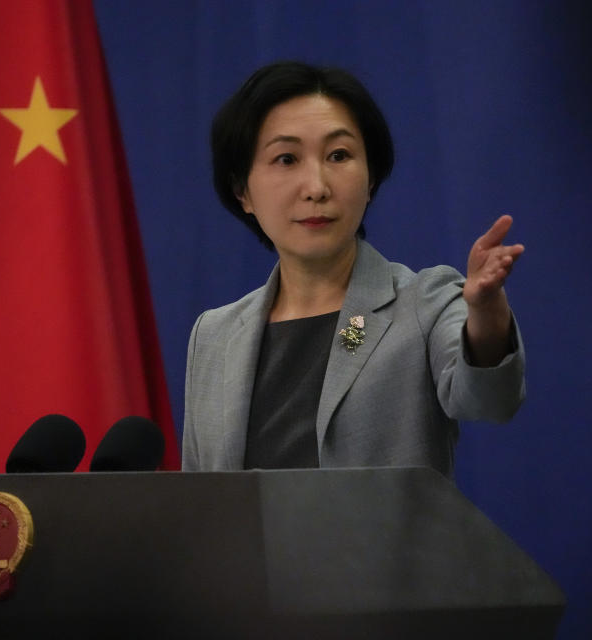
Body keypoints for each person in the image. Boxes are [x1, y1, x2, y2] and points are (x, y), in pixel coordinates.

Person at [182, 61, 525, 477]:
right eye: (286, 158)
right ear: (243, 192)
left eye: (338, 155)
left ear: (372, 179)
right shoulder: (214, 336)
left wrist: (486, 313)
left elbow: (489, 401)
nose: (317, 187)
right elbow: (203, 495)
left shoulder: (421, 303)